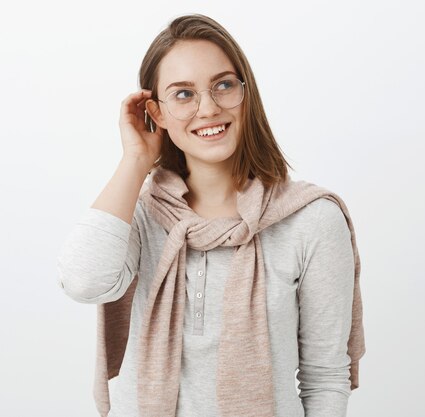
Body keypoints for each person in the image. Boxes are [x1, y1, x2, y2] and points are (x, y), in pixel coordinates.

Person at [56, 13, 364, 417]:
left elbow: (325, 378)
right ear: (157, 112)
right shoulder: (139, 214)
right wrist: (134, 160)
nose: (208, 108)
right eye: (183, 94)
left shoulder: (312, 221)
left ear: (244, 92)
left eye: (223, 85)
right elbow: (84, 282)